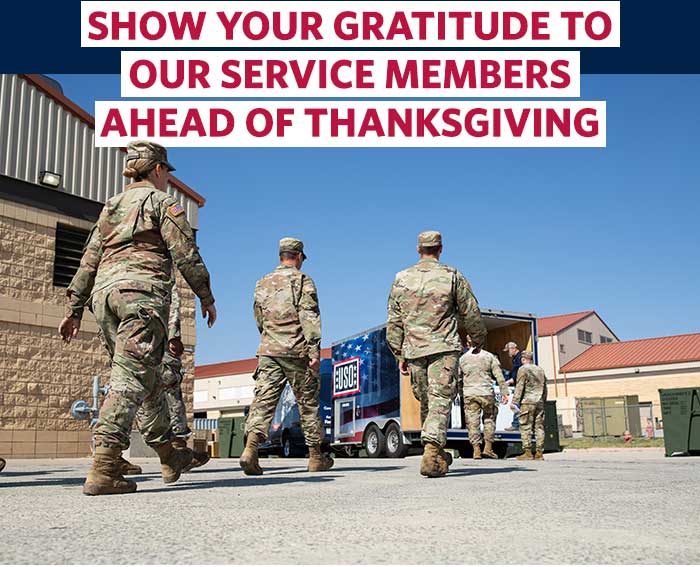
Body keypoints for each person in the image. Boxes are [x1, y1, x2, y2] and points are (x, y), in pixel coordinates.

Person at [58, 140, 217, 496]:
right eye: (166, 173)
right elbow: (185, 254)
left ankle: (168, 455)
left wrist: (74, 309)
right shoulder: (162, 202)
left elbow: (88, 260)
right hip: (140, 297)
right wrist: (205, 296)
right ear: (158, 169)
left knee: (148, 378)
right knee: (130, 381)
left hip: (105, 299)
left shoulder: (110, 207)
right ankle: (104, 465)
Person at [387, 231, 487, 478]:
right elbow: (470, 311)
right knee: (439, 401)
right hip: (443, 348)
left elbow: (394, 320)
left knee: (429, 401)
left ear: (418, 249)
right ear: (440, 249)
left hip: (415, 350)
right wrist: (478, 338)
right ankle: (432, 450)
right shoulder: (451, 275)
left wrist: (399, 352)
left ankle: (433, 449)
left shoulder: (402, 278)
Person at [240, 238, 334, 476]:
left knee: (263, 401)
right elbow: (309, 316)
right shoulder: (302, 280)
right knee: (308, 404)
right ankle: (315, 457)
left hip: (269, 350)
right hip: (296, 351)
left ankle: (250, 450)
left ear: (281, 256)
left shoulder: (262, 282)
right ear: (299, 256)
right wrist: (314, 350)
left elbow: (258, 317)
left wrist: (269, 338)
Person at [120, 283, 210, 476]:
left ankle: (111, 454)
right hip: (156, 341)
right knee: (170, 389)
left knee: (125, 393)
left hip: (126, 343)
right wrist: (174, 336)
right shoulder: (157, 271)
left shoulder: (119, 273)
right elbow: (172, 304)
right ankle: (178, 451)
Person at [460, 346, 510, 459]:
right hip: (486, 392)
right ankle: (488, 448)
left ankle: (476, 450)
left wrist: (461, 393)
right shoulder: (489, 356)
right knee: (489, 419)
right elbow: (499, 375)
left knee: (472, 422)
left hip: (470, 392)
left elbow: (458, 378)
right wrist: (504, 392)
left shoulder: (462, 359)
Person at [510, 351, 547, 460]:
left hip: (527, 401)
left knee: (525, 426)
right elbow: (545, 387)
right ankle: (539, 452)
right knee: (539, 427)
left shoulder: (523, 369)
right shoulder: (540, 369)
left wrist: (515, 401)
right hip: (539, 401)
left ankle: (528, 452)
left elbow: (520, 385)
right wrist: (543, 400)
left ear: (523, 359)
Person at [503, 341, 522, 431]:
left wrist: (510, 381)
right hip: (518, 385)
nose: (508, 353)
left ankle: (515, 424)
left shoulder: (520, 358)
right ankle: (517, 424)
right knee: (517, 405)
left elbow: (519, 372)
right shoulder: (516, 358)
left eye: (508, 351)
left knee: (515, 405)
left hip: (520, 385)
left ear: (513, 349)